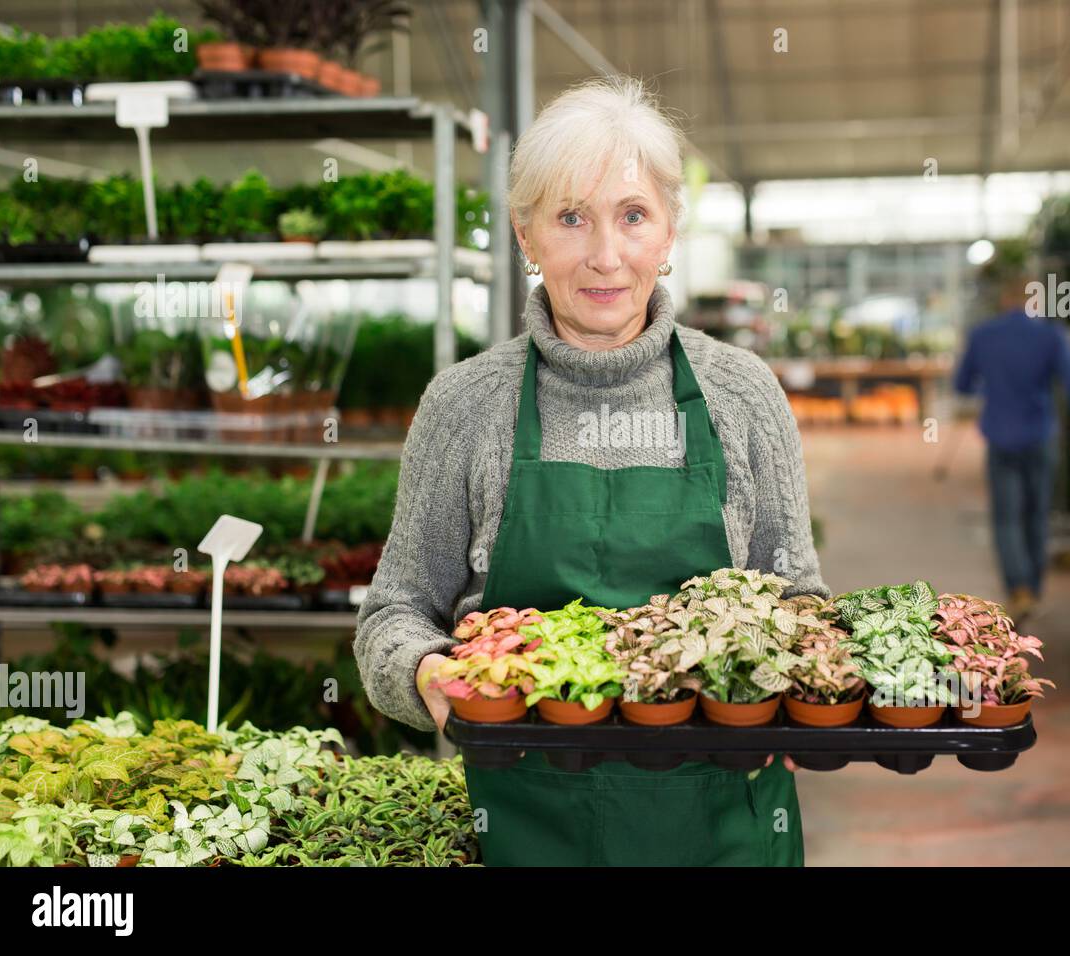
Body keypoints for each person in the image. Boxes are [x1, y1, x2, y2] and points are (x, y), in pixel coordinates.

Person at [353, 75, 829, 866]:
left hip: (725, 824)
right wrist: (426, 672)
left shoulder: (742, 394)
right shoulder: (465, 405)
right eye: (572, 217)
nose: (605, 257)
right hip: (528, 824)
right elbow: (394, 614)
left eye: (633, 216)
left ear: (669, 230)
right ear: (525, 234)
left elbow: (800, 601)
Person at [954, 269, 1070, 622]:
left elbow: (962, 385)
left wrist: (989, 392)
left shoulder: (983, 335)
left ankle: (1017, 587)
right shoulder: (1050, 336)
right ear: (1034, 301)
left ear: (1005, 299)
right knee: (1037, 515)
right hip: (1039, 437)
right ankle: (1033, 588)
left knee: (1006, 517)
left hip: (1000, 437)